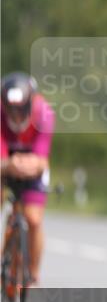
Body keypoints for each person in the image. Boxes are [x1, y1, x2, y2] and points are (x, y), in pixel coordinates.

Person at [1, 72, 55, 285]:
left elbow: (42, 160)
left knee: (33, 219)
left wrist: (27, 166)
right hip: (6, 164)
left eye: (19, 110)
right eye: (10, 110)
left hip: (34, 167)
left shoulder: (44, 113)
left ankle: (32, 273)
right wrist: (9, 166)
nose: (15, 115)